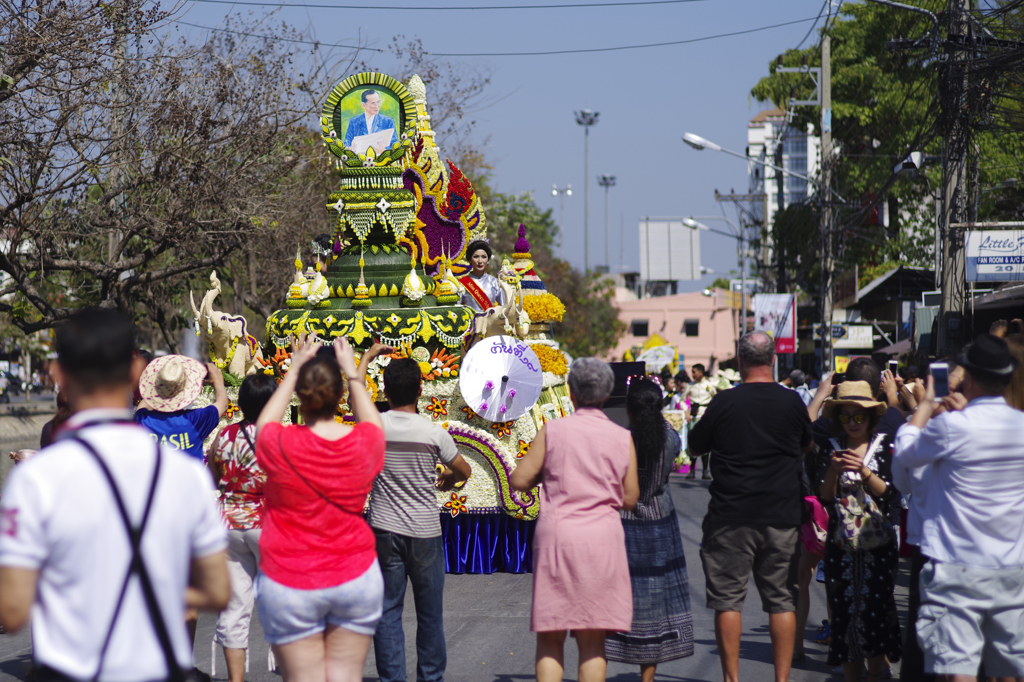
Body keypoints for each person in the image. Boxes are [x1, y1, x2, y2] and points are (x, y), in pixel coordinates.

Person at [0, 308, 230, 681]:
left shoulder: (36, 478)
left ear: (59, 376)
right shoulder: (184, 475)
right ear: (135, 371)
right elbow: (217, 590)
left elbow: (10, 610)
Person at [254, 333, 385, 682]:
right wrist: (353, 372)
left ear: (300, 395)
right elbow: (373, 424)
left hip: (289, 578)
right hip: (355, 575)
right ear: (340, 396)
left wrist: (293, 370)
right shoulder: (364, 443)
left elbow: (264, 425)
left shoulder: (279, 443)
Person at [895, 334, 1024, 682]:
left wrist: (923, 408)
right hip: (1012, 563)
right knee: (1009, 666)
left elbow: (905, 456)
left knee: (956, 666)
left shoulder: (953, 426)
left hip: (957, 565)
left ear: (967, 376)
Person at [688, 331, 812, 682]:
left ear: (740, 361)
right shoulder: (792, 403)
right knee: (782, 600)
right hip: (783, 517)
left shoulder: (724, 403)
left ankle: (732, 679)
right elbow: (806, 445)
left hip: (730, 517)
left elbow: (696, 447)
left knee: (728, 601)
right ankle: (782, 679)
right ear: (773, 359)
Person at [510, 357, 639, 682]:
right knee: (593, 641)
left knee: (551, 636)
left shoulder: (554, 431)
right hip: (602, 540)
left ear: (571, 392)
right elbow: (630, 497)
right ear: (607, 394)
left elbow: (519, 480)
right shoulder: (622, 437)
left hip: (558, 538)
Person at [368, 355, 472, 682]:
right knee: (430, 616)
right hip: (425, 532)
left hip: (383, 530)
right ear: (420, 390)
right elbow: (463, 470)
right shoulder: (432, 432)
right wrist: (450, 482)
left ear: (384, 390)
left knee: (387, 613)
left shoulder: (374, 427)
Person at [605, 378, 694, 682]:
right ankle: (648, 677)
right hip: (660, 520)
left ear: (629, 408)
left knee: (614, 596)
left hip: (623, 521)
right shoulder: (671, 438)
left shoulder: (620, 439)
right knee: (656, 600)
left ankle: (598, 666)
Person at [816, 381, 902, 682]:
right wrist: (832, 470)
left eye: (859, 416)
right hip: (841, 546)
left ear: (871, 418)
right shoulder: (831, 448)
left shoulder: (884, 445)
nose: (852, 423)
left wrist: (865, 473)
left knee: (876, 612)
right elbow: (824, 497)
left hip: (878, 545)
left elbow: (891, 492)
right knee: (844, 617)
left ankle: (876, 673)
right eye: (845, 417)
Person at [207, 373, 278, 682]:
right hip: (267, 524)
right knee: (280, 601)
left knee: (235, 605)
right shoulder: (276, 435)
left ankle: (236, 679)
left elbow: (212, 474)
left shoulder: (225, 436)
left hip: (229, 523)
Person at [135, 354, 228, 460]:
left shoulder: (143, 420)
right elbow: (223, 403)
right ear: (186, 390)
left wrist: (160, 386)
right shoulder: (196, 420)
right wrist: (218, 382)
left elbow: (143, 404)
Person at [683, 363, 717, 480]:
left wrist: (711, 411)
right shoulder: (690, 385)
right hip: (693, 415)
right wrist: (686, 411)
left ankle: (705, 471)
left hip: (704, 415)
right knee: (692, 441)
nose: (692, 374)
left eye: (694, 372)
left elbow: (715, 398)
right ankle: (692, 470)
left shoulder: (709, 385)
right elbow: (683, 400)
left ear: (700, 373)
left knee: (706, 442)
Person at [458, 240, 506, 313]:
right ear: (469, 259)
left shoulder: (495, 282)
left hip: (490, 323)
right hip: (471, 323)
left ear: (488, 259)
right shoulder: (462, 283)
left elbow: (504, 309)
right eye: (476, 257)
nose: (480, 261)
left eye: (484, 257)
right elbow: (456, 309)